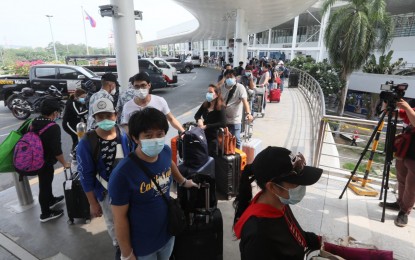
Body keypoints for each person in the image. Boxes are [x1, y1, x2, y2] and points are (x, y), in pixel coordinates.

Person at [109, 107, 197, 260]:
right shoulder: (122, 175)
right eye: (148, 136)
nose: (155, 140)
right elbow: (119, 218)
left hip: (168, 233)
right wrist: (126, 253)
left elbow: (169, 164)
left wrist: (183, 181)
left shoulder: (165, 151)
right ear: (136, 138)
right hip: (142, 247)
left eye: (160, 134)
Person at [233, 146, 323, 259]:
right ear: (272, 187)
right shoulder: (258, 236)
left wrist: (323, 243)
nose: (302, 187)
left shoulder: (279, 204)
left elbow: (297, 235)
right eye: (296, 183)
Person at [77, 98, 134, 258]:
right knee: (114, 223)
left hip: (130, 189)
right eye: (100, 117)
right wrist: (93, 203)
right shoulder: (87, 142)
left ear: (116, 115)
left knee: (131, 218)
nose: (105, 120)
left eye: (108, 115)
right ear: (94, 118)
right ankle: (120, 249)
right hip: (106, 193)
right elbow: (85, 176)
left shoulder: (124, 135)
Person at [34, 99, 71, 222]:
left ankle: (50, 200)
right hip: (45, 161)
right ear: (55, 112)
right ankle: (45, 214)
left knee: (46, 182)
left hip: (36, 159)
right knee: (44, 185)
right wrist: (64, 163)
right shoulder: (53, 127)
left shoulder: (35, 121)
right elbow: (57, 150)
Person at [380, 99, 415, 227]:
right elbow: (390, 114)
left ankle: (404, 212)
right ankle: (400, 203)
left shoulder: (410, 109)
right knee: (401, 180)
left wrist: (407, 108)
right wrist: (387, 101)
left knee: (411, 186)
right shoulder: (412, 109)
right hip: (404, 150)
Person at [221, 69, 253, 148]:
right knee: (223, 139)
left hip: (235, 119)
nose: (229, 79)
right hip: (223, 119)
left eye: (231, 77)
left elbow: (245, 102)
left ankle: (239, 156)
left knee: (236, 139)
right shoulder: (222, 87)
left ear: (235, 77)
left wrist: (248, 113)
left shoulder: (240, 88)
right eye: (227, 77)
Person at [194, 84, 226, 155]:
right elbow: (197, 115)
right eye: (208, 92)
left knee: (211, 157)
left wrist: (207, 126)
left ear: (217, 94)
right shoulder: (205, 104)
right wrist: (199, 120)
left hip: (214, 137)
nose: (208, 94)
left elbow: (223, 123)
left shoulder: (221, 107)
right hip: (203, 135)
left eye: (211, 92)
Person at [62, 88, 88, 153]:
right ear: (77, 97)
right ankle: (74, 152)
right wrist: (88, 110)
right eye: (82, 97)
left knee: (76, 138)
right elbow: (78, 113)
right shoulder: (72, 102)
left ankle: (76, 151)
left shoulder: (79, 103)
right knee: (78, 136)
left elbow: (82, 114)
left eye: (85, 97)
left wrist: (85, 121)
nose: (84, 98)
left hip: (75, 124)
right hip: (68, 124)